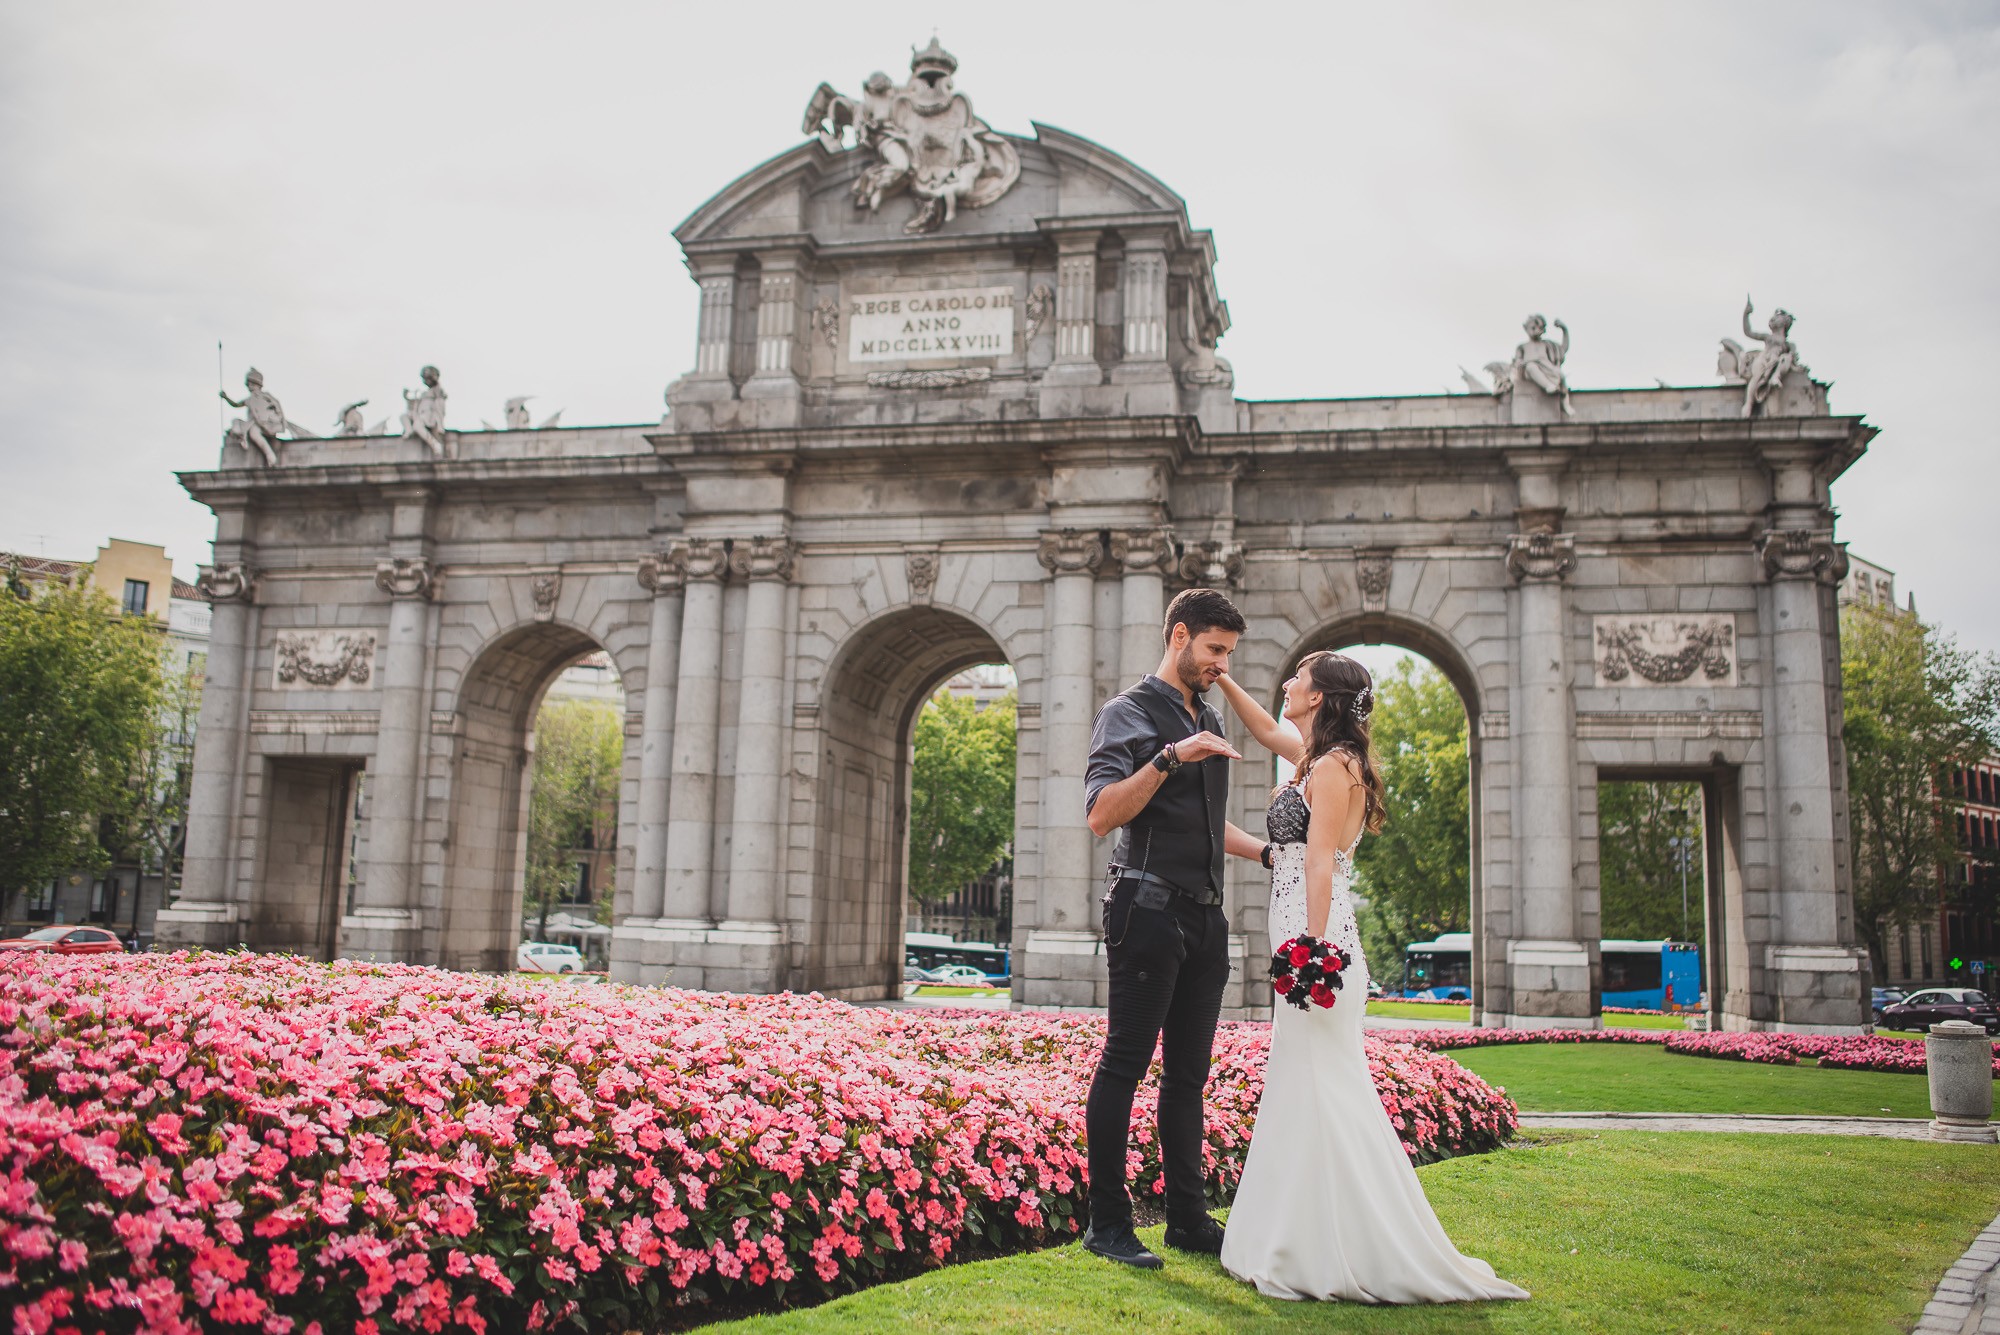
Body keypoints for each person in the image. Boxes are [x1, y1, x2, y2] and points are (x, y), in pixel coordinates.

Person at [1213, 652, 1529, 1304]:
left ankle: (1340, 1246)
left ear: (1322, 695)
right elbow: (1261, 729)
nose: (1289, 684)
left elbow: (1321, 863)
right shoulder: (1309, 757)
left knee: (1328, 1098)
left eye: (1299, 677)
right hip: (1303, 945)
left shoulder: (1333, 767)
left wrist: (1309, 950)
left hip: (1316, 952)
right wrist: (1217, 674)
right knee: (1303, 1095)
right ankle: (1299, 1236)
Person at [1081, 587, 1270, 1269]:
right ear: (1180, 635)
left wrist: (1269, 853)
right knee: (1125, 1063)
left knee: (1188, 1075)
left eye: (1229, 653)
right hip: (1145, 907)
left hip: (1204, 915)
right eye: (1215, 649)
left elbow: (1203, 825)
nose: (1222, 663)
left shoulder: (1209, 716)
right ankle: (1106, 1223)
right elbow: (1102, 813)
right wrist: (1168, 757)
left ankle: (1188, 1219)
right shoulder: (1126, 713)